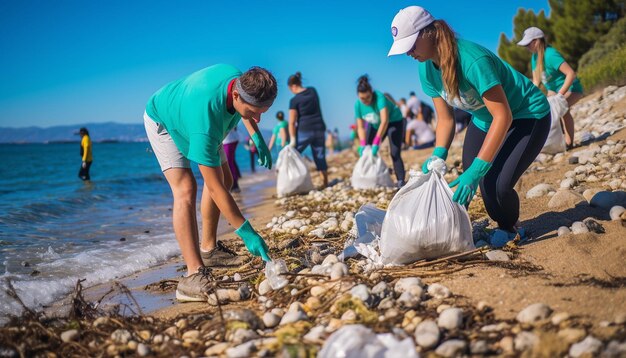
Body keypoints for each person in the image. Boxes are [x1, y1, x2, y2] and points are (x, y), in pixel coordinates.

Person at [388, 6, 551, 245]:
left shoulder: (472, 60)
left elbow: (503, 116)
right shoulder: (426, 69)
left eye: (411, 45)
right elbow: (445, 119)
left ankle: (511, 228)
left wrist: (477, 170)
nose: (408, 53)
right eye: (404, 48)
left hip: (528, 115)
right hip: (485, 120)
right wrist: (438, 155)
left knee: (495, 185)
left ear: (428, 33)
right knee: (477, 180)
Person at [144, 64, 275, 302]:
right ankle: (193, 275)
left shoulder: (240, 81)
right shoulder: (205, 123)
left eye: (263, 112)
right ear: (236, 95)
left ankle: (209, 250)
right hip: (163, 119)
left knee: (226, 177)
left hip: (192, 113)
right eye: (254, 112)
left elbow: (248, 108)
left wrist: (257, 137)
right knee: (185, 189)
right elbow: (214, 189)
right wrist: (246, 232)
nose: (257, 117)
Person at [518, 27, 584, 149]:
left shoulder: (550, 55)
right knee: (549, 112)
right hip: (554, 90)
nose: (527, 48)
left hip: (571, 89)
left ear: (536, 41)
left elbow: (571, 74)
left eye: (528, 44)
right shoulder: (535, 57)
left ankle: (569, 143)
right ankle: (558, 142)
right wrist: (526, 97)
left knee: (562, 110)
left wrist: (560, 95)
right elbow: (537, 81)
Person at [354, 75, 406, 186]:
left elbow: (385, 121)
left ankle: (400, 181)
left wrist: (377, 141)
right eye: (362, 98)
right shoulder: (358, 105)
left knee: (394, 153)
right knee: (367, 149)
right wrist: (362, 143)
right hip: (375, 125)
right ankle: (373, 177)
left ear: (371, 92)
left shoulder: (379, 97)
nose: (366, 101)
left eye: (368, 97)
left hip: (394, 122)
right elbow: (360, 127)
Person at [287, 72, 329, 187]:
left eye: (290, 89)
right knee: (320, 154)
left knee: (294, 153)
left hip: (304, 130)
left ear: (293, 86)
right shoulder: (313, 91)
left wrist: (292, 140)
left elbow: (291, 122)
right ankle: (325, 181)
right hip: (319, 127)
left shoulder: (294, 100)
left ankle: (294, 181)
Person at [222, 127, 242, 193]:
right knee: (231, 161)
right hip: (229, 139)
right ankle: (235, 184)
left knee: (228, 163)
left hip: (229, 139)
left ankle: (234, 186)